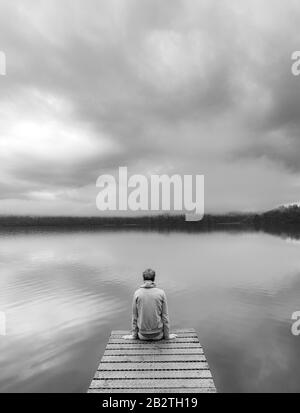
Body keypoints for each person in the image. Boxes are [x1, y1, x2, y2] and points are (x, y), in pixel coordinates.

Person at [123, 269, 177, 341]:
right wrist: (167, 336)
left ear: (143, 279)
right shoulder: (161, 293)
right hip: (158, 335)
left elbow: (135, 316)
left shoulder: (137, 293)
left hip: (142, 336)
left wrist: (133, 336)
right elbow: (165, 317)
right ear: (154, 279)